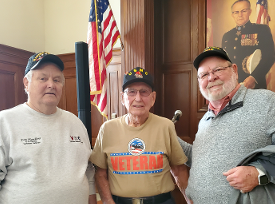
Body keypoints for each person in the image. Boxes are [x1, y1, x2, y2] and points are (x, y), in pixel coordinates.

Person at [178, 46, 275, 204]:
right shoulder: (205, 119)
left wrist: (259, 174)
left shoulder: (267, 102)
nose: (211, 77)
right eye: (204, 75)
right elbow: (197, 159)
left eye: (217, 70)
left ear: (234, 70)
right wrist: (166, 134)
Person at [0, 52, 97, 204]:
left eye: (57, 79)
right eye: (43, 78)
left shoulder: (75, 123)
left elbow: (88, 172)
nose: (51, 84)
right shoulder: (5, 122)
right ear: (26, 83)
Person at [90, 67, 190, 204]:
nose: (138, 98)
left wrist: (190, 202)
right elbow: (100, 173)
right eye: (131, 92)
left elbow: (179, 170)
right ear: (122, 98)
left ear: (153, 97)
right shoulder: (107, 129)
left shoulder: (166, 126)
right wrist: (107, 201)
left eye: (144, 92)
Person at [221, 0, 275, 89]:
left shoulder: (262, 30)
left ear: (250, 12)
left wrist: (254, 77)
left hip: (254, 85)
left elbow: (269, 56)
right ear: (232, 15)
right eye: (236, 12)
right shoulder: (227, 36)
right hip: (233, 86)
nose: (240, 15)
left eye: (244, 11)